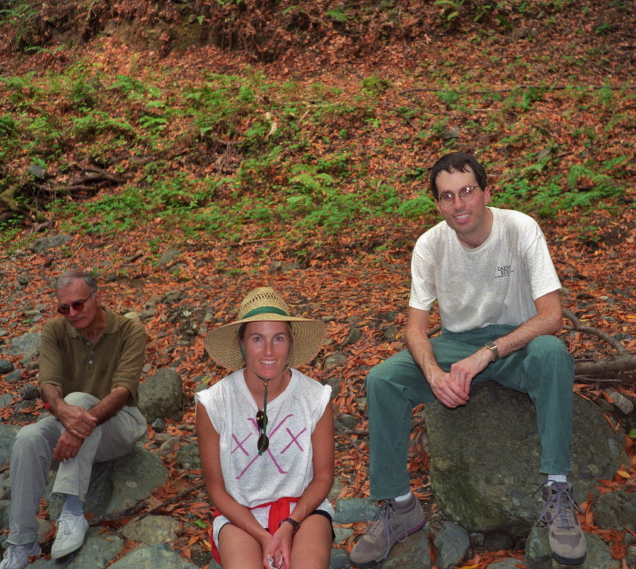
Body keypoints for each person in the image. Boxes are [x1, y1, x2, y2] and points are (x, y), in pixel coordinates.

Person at [350, 152, 586, 567]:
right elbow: (414, 328)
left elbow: (552, 317)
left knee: (553, 355)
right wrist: (434, 374)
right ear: (438, 204)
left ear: (485, 192)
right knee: (382, 380)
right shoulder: (430, 245)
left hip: (517, 343)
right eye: (447, 197)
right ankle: (399, 505)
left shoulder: (519, 228)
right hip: (456, 344)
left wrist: (488, 354)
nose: (459, 204)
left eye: (467, 191)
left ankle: (557, 491)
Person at [0, 270, 148, 569]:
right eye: (64, 308)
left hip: (121, 424)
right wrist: (63, 412)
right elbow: (49, 383)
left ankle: (73, 510)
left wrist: (76, 424)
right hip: (73, 422)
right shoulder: (55, 330)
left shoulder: (130, 331)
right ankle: (22, 543)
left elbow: (122, 391)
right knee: (27, 437)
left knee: (78, 401)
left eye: (79, 304)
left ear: (98, 297)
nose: (72, 313)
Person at [197, 287, 334, 569]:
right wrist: (262, 535)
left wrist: (288, 525)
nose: (269, 351)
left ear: (291, 342)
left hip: (303, 511)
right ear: (242, 343)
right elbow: (217, 489)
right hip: (240, 516)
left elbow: (322, 478)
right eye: (257, 338)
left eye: (279, 338)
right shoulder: (214, 403)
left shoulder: (315, 397)